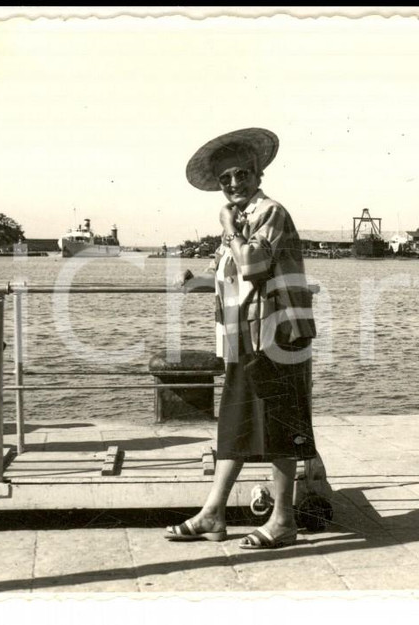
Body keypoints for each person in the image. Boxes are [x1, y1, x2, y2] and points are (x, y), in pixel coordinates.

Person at [165, 127, 317, 550]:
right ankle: (213, 513)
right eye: (225, 179)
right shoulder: (242, 217)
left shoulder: (268, 212)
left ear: (257, 174)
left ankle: (283, 520)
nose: (233, 184)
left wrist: (228, 227)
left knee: (280, 424)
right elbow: (231, 279)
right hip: (245, 338)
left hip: (276, 335)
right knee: (235, 423)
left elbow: (252, 266)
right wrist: (195, 280)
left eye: (241, 175)